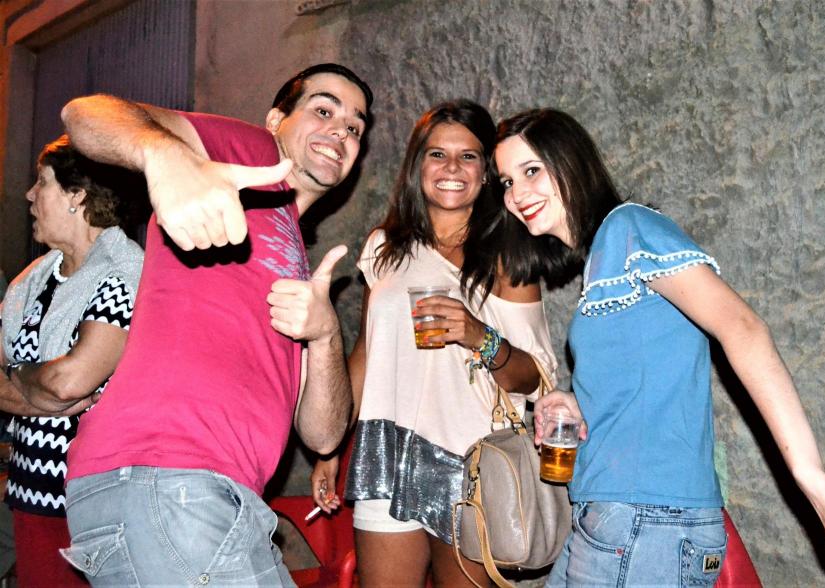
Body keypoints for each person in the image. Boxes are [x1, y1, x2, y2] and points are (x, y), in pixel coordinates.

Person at [492, 109, 825, 586]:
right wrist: (576, 400)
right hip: (618, 516)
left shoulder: (629, 228)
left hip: (645, 521)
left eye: (532, 170)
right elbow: (649, 371)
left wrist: (813, 478)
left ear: (571, 161)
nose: (517, 194)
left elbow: (743, 327)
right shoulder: (603, 259)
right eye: (507, 182)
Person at [56, 63, 372, 586]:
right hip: (168, 474)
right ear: (276, 121)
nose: (341, 130)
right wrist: (165, 156)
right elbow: (85, 115)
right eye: (323, 110)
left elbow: (322, 435)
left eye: (355, 126)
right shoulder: (244, 152)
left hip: (217, 494)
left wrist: (324, 334)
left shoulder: (293, 249)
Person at [310, 101, 559, 587]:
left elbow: (535, 378)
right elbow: (367, 354)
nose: (451, 168)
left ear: (486, 173)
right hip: (387, 452)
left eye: (468, 156)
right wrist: (330, 445)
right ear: (417, 166)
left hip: (473, 462)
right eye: (437, 154)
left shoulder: (508, 256)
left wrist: (477, 335)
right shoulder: (384, 246)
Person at [0, 136, 143, 587]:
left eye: (41, 182)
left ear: (76, 195)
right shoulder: (35, 279)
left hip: (91, 502)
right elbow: (60, 390)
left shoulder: (124, 274)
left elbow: (70, 382)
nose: (29, 195)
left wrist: (17, 376)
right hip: (30, 493)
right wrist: (41, 390)